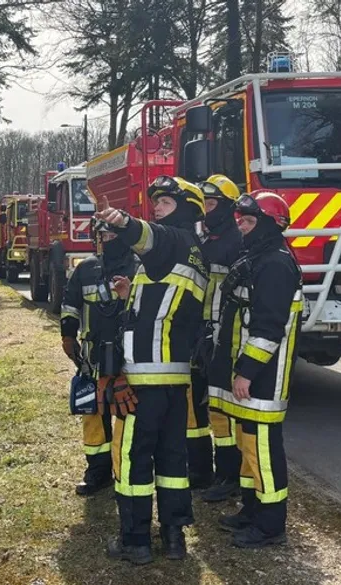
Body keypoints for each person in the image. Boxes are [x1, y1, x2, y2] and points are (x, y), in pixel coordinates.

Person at [92, 175, 209, 565]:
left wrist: (119, 219)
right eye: (155, 201)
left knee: (133, 460)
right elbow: (162, 310)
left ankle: (135, 541)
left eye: (166, 202)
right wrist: (130, 293)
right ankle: (175, 539)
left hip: (143, 381)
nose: (156, 207)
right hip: (175, 380)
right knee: (173, 460)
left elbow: (146, 235)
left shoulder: (172, 240)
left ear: (186, 209)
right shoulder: (193, 253)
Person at [206, 191, 303, 549]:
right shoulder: (257, 256)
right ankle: (251, 510)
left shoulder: (275, 264)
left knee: (262, 449)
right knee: (249, 445)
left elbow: (268, 327)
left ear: (267, 224)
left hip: (265, 376)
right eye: (241, 222)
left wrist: (246, 371)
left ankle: (270, 525)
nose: (242, 229)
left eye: (248, 222)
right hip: (250, 373)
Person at [61, 226, 139, 496]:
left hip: (130, 358)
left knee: (126, 413)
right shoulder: (86, 268)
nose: (107, 241)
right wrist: (68, 336)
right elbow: (70, 304)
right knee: (92, 415)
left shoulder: (141, 267)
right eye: (103, 237)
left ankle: (124, 474)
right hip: (92, 357)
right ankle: (97, 472)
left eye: (113, 236)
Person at [191, 175, 245, 504]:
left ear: (226, 207)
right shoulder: (206, 238)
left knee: (225, 409)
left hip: (226, 337)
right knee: (207, 407)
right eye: (204, 204)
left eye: (211, 204)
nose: (206, 210)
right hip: (202, 335)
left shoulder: (237, 241)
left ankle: (230, 474)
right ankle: (208, 471)